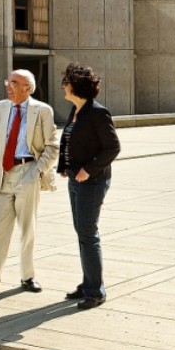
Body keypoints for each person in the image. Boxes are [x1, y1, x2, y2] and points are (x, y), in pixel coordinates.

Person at [0, 69, 58, 297]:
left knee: (27, 228)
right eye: (8, 81)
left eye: (14, 82)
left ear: (28, 88)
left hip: (28, 170)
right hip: (3, 174)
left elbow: (53, 146)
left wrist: (37, 171)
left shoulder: (43, 110)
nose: (8, 86)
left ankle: (27, 276)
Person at [57, 63, 120, 310]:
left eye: (66, 82)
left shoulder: (97, 113)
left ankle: (95, 291)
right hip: (76, 179)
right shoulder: (76, 110)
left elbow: (112, 147)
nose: (63, 86)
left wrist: (88, 169)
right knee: (82, 231)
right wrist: (65, 166)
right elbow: (68, 141)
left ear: (76, 86)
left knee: (87, 232)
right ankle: (88, 283)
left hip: (93, 181)